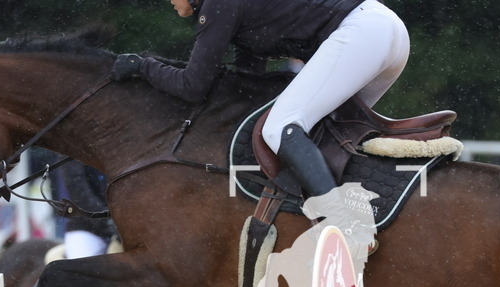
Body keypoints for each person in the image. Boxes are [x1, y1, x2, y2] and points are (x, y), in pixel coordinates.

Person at [110, 0, 408, 232]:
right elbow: (247, 79)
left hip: (363, 32)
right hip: (387, 33)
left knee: (281, 129)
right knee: (327, 131)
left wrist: (142, 67)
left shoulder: (217, 5)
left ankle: (344, 223)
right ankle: (372, 208)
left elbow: (193, 86)